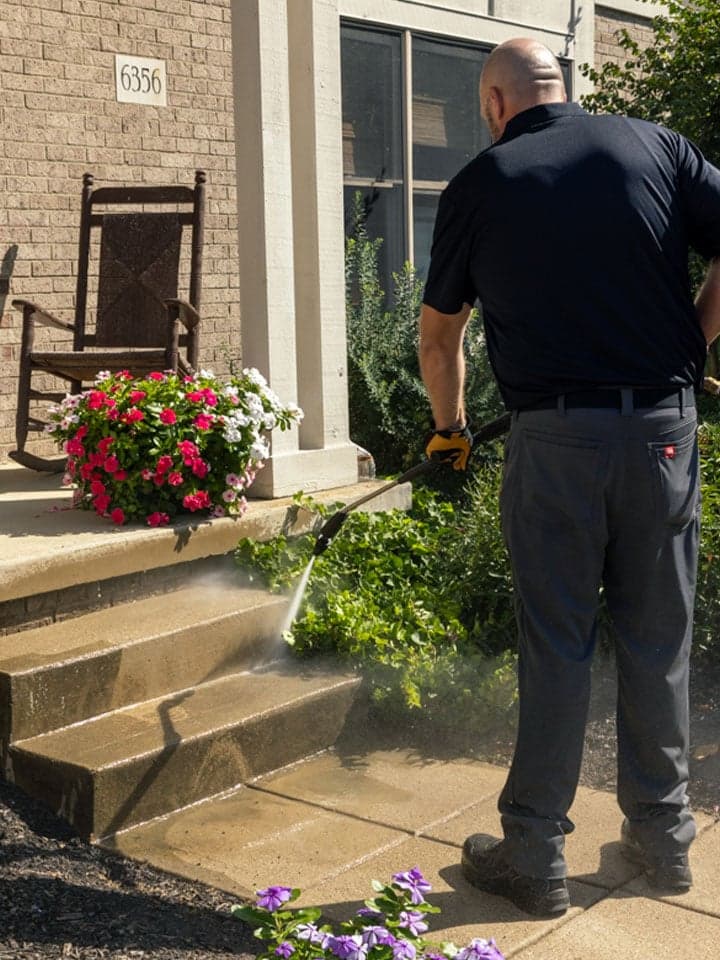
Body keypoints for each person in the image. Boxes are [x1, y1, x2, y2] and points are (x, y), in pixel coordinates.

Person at [420, 37, 720, 918]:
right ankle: (664, 842)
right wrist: (690, 343)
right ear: (566, 88)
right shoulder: (655, 146)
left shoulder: (484, 182)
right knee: (658, 636)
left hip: (554, 441)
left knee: (558, 644)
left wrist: (450, 434)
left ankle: (534, 855)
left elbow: (442, 339)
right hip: (664, 432)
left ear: (494, 104)